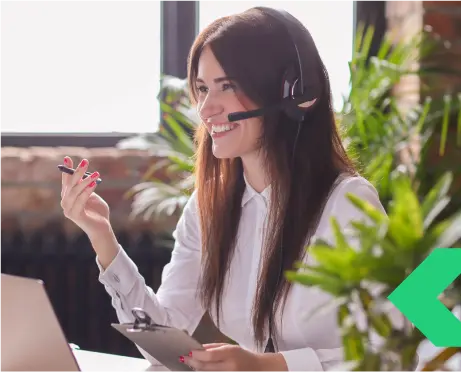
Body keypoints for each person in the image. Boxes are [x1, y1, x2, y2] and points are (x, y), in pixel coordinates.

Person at [60, 7, 402, 372]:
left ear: (293, 94)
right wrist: (103, 240)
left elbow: (395, 347)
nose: (207, 109)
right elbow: (164, 339)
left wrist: (271, 366)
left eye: (228, 86)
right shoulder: (208, 206)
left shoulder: (346, 203)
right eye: (203, 89)